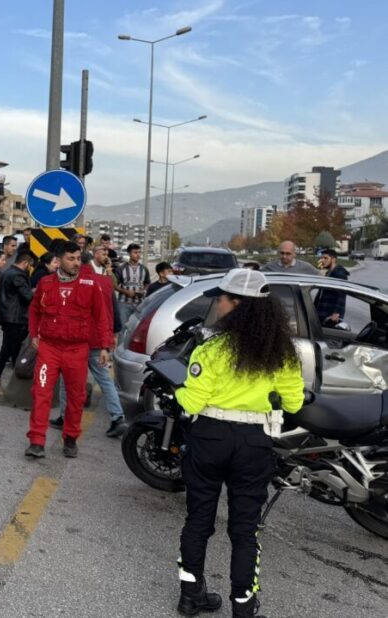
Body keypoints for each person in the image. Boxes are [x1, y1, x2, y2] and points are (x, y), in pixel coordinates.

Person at [173, 268, 304, 618]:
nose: (217, 302)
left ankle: (190, 596)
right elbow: (293, 404)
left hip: (209, 438)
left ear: (238, 304)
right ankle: (244, 607)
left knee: (198, 519)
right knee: (245, 529)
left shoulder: (211, 348)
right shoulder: (281, 353)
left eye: (223, 297)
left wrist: (178, 390)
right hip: (253, 443)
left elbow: (191, 402)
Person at [25, 243, 110, 458]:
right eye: (71, 258)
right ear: (59, 259)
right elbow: (34, 311)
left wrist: (104, 346)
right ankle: (36, 441)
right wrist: (34, 334)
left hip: (77, 350)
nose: (76, 262)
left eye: (78, 258)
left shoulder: (90, 284)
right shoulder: (45, 283)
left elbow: (102, 316)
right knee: (41, 393)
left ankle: (70, 438)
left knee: (76, 396)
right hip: (49, 349)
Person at [50, 244, 126, 437]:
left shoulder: (74, 282)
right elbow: (112, 311)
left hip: (77, 340)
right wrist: (111, 337)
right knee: (104, 380)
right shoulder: (106, 281)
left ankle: (64, 416)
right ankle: (117, 417)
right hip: (98, 340)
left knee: (69, 380)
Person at [0, 250, 35, 397]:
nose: (30, 268)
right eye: (30, 265)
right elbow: (27, 296)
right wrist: (36, 291)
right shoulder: (18, 275)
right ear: (25, 263)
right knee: (7, 350)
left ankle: (17, 382)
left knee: (14, 351)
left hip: (9, 317)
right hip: (15, 319)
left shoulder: (7, 273)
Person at [115, 243, 151, 325]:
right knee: (123, 326)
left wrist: (144, 290)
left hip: (140, 303)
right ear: (129, 254)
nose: (138, 255)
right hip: (124, 303)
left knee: (137, 327)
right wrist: (126, 291)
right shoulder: (121, 268)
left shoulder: (144, 269)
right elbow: (114, 285)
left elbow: (147, 283)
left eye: (139, 252)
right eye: (135, 252)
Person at [314, 248, 349, 326]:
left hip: (330, 316)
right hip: (323, 312)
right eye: (321, 258)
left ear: (333, 259)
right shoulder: (329, 272)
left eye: (325, 258)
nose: (322, 260)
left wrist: (336, 313)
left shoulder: (339, 273)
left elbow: (342, 294)